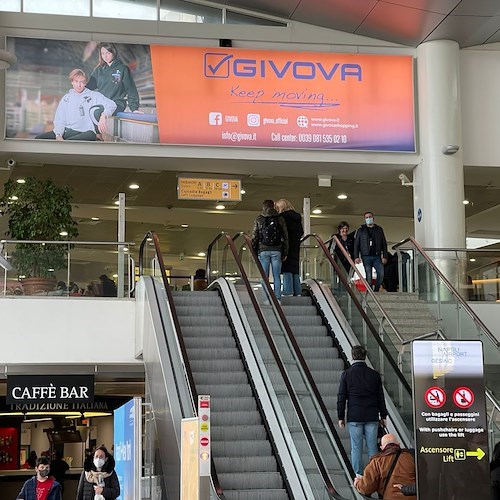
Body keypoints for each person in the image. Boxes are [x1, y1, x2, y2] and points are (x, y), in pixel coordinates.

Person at [337, 345, 388, 475]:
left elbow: (341, 397)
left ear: (352, 356)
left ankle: (358, 476)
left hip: (355, 417)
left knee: (356, 448)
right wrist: (383, 416)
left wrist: (341, 416)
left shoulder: (346, 375)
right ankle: (374, 475)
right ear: (365, 356)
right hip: (371, 416)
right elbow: (380, 397)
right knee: (372, 449)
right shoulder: (374, 375)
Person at [35, 69, 116, 141]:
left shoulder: (94, 95)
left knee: (89, 135)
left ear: (85, 83)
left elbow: (112, 105)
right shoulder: (66, 98)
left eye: (81, 82)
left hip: (86, 133)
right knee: (37, 140)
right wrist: (58, 135)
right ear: (72, 82)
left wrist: (104, 115)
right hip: (68, 131)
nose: (79, 85)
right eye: (76, 81)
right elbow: (60, 119)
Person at [354, 434, 416, 499]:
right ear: (398, 444)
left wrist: (358, 483)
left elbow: (366, 488)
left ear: (382, 447)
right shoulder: (411, 457)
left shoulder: (377, 461)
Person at [87, 42, 141, 114]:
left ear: (113, 53)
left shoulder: (123, 69)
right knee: (90, 111)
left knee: (97, 112)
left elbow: (131, 89)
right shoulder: (98, 70)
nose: (105, 56)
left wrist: (134, 108)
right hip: (103, 103)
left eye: (108, 53)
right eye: (103, 53)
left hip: (117, 104)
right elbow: (88, 87)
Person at [251, 199, 289, 302]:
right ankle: (277, 298)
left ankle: (265, 298)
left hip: (263, 250)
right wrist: (285, 252)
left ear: (264, 207)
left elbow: (255, 236)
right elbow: (285, 236)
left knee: (265, 276)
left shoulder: (259, 219)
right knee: (277, 276)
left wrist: (254, 252)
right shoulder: (280, 219)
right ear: (273, 206)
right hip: (277, 250)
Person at [353, 211, 388, 292]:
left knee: (381, 273)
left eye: (370, 217)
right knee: (368, 275)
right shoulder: (361, 231)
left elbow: (384, 243)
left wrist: (385, 256)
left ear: (373, 218)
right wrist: (356, 256)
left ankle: (376, 290)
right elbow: (357, 244)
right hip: (366, 256)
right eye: (367, 217)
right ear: (364, 219)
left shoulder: (379, 229)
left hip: (377, 256)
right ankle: (369, 292)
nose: (369, 219)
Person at [275, 198, 303, 296]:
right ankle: (297, 291)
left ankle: (288, 290)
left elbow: (281, 232)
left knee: (286, 267)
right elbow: (301, 232)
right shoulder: (297, 217)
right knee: (294, 268)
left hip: (286, 245)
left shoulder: (282, 217)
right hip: (296, 245)